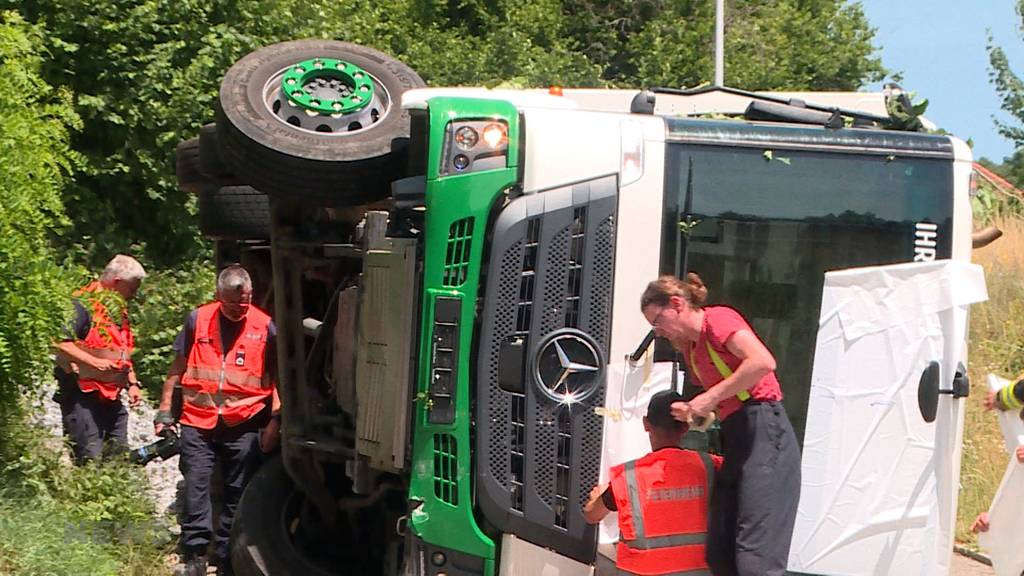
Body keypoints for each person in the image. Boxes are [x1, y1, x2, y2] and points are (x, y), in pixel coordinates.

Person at [640, 274, 801, 576]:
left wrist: (709, 397)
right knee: (719, 550)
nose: (658, 332)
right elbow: (723, 403)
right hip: (738, 434)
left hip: (765, 430)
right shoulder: (691, 350)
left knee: (755, 556)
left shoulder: (718, 320)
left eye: (658, 322)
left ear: (677, 304)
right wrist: (695, 412)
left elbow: (762, 362)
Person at [154, 265, 281, 576]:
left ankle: (225, 557)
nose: (240, 309)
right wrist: (164, 410)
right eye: (233, 303)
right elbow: (177, 368)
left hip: (244, 422)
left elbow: (279, 378)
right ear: (218, 296)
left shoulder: (265, 327)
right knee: (196, 484)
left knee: (237, 490)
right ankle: (195, 555)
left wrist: (275, 421)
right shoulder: (198, 320)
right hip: (199, 419)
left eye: (246, 302)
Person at [584, 390, 721, 575]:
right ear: (685, 428)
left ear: (646, 424)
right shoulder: (710, 467)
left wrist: (596, 497)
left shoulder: (627, 477)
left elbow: (592, 515)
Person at [53, 254, 146, 465]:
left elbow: (122, 352)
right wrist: (94, 363)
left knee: (118, 461)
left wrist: (132, 383)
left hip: (112, 397)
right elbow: (59, 342)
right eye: (132, 289)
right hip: (81, 395)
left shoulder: (117, 311)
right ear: (117, 282)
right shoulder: (82, 304)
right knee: (89, 460)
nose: (134, 294)